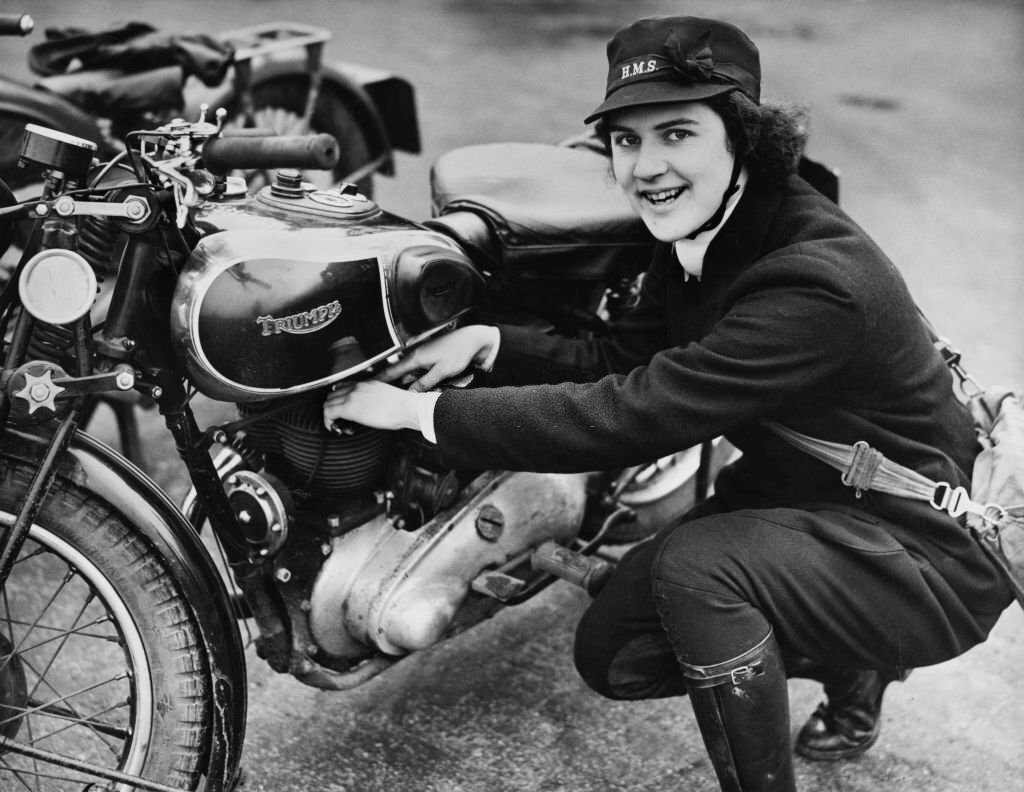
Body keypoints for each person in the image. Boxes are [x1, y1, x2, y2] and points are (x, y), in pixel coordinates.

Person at [323, 15, 1012, 792]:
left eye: (677, 133)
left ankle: (849, 676)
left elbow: (632, 415)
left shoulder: (815, 283)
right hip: (808, 498)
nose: (646, 167)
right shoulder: (702, 226)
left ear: (743, 137)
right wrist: (490, 343)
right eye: (626, 140)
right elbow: (626, 357)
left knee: (697, 574)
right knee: (615, 652)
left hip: (925, 550)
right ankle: (850, 658)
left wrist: (418, 413)